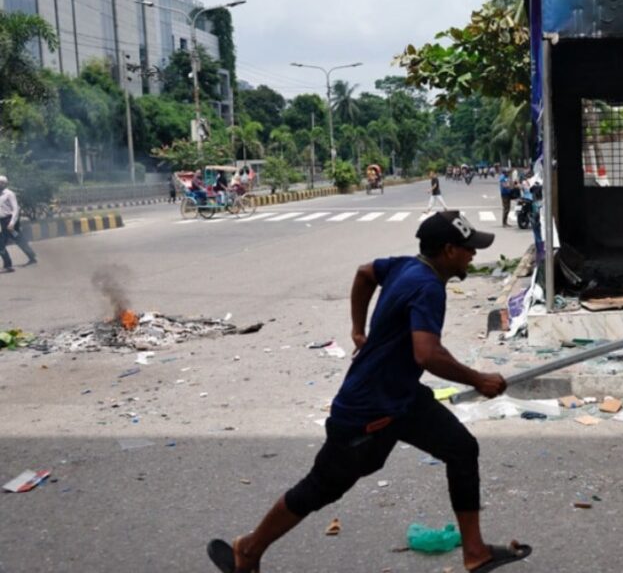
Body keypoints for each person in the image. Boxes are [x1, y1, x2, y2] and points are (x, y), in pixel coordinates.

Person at [207, 210, 531, 573]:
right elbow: (426, 353)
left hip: (403, 398)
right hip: (369, 408)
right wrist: (478, 379)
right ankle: (248, 550)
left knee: (462, 449)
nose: (473, 255)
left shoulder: (405, 267)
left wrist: (358, 330)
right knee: (322, 487)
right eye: (468, 248)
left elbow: (364, 273)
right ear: (448, 250)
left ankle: (475, 552)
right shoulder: (427, 286)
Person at [0, 175, 38, 270]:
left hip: (10, 221)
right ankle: (31, 256)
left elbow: (15, 209)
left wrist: (12, 223)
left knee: (6, 242)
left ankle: (8, 265)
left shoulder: (9, 194)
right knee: (17, 238)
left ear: (4, 183)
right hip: (2, 222)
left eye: (0, 183)